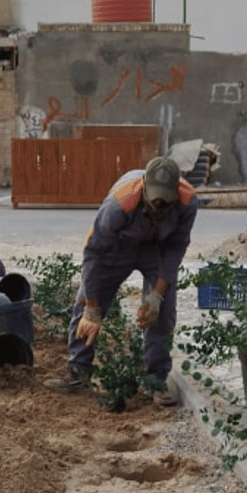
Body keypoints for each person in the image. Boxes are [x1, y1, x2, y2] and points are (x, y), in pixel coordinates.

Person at [44, 156, 197, 407]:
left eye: (164, 202)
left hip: (155, 249)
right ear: (145, 188)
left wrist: (157, 296)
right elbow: (93, 252)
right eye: (154, 199)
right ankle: (79, 373)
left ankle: (155, 380)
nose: (158, 206)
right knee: (86, 304)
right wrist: (92, 308)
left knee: (163, 312)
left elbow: (176, 247)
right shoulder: (121, 202)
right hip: (117, 247)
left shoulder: (188, 201)